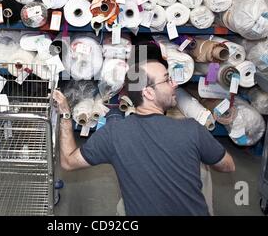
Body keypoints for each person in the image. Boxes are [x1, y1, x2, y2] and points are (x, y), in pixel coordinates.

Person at [53, 59, 235, 216]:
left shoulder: (114, 134)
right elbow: (228, 165)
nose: (175, 84)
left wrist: (66, 115)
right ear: (148, 93)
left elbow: (69, 161)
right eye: (167, 80)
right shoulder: (191, 130)